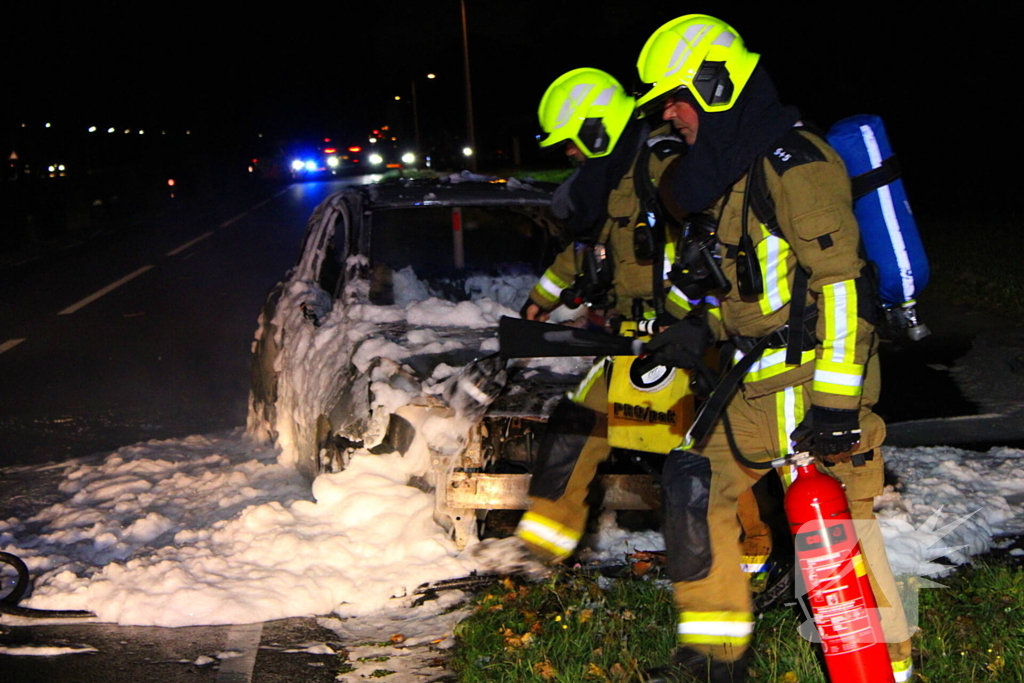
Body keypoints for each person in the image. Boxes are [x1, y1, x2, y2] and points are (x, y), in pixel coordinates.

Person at [634, 14, 915, 683]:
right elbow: (745, 286)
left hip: (819, 378)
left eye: (678, 96)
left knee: (845, 533)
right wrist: (693, 330)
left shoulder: (798, 162)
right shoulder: (731, 172)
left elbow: (844, 286)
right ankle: (716, 660)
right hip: (758, 382)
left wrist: (837, 407)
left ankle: (890, 669)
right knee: (694, 488)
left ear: (715, 82)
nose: (672, 114)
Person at [478, 68, 779, 597]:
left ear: (596, 128)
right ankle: (540, 548)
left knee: (710, 449)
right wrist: (541, 300)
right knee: (575, 429)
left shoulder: (662, 167)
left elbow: (708, 248)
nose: (568, 155)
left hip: (680, 339)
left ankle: (754, 553)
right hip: (631, 339)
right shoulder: (608, 183)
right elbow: (585, 253)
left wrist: (687, 320)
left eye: (572, 142)